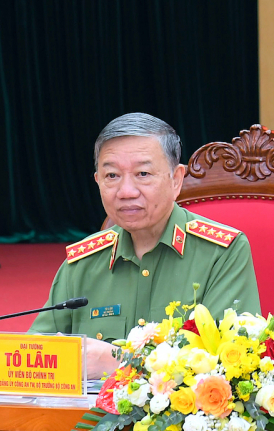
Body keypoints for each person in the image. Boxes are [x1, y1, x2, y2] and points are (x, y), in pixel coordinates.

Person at [29, 113, 261, 379]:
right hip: (87, 420)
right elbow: (35, 357)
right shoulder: (82, 262)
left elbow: (231, 364)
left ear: (176, 179)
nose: (126, 191)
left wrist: (121, 362)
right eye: (112, 175)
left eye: (143, 173)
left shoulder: (222, 253)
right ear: (98, 182)